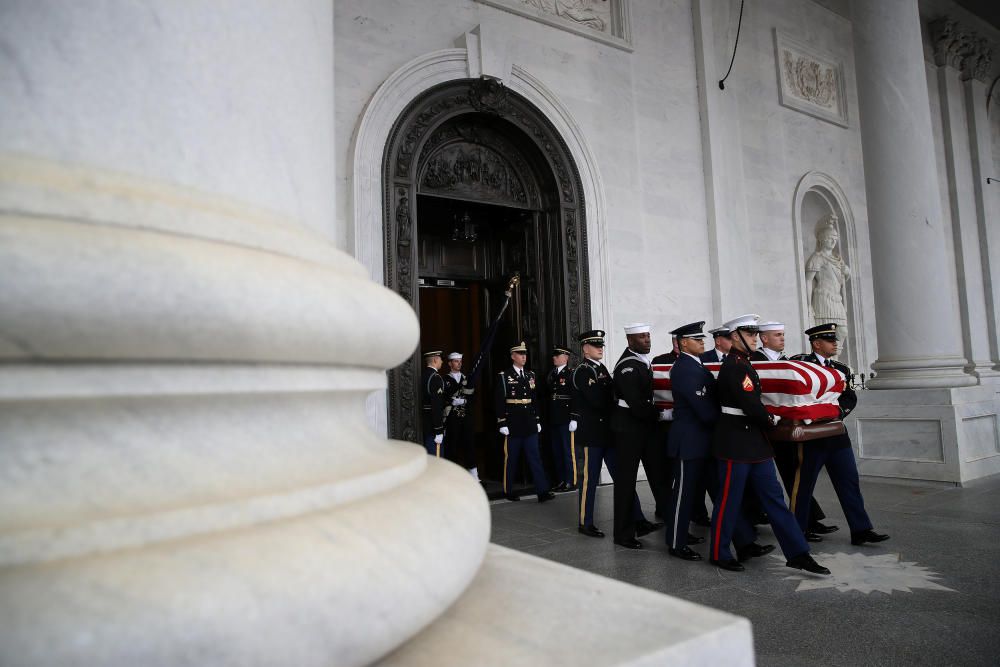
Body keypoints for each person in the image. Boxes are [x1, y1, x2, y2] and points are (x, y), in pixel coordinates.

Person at [708, 314, 829, 575]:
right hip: (736, 444)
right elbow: (751, 405)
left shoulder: (744, 363)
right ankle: (719, 552)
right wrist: (773, 418)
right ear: (735, 337)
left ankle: (798, 553)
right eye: (750, 335)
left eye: (755, 334)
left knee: (774, 500)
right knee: (729, 502)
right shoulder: (736, 366)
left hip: (755, 443)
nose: (754, 339)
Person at [789, 324, 890, 546]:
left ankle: (861, 529)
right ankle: (798, 530)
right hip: (811, 435)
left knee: (849, 481)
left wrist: (835, 412)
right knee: (804, 485)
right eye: (829, 340)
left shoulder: (841, 369)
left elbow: (849, 398)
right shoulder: (800, 365)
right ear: (816, 343)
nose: (835, 344)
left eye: (834, 340)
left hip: (835, 432)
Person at [752, 322, 834, 540]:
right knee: (782, 476)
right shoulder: (755, 361)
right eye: (777, 335)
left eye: (783, 334)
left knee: (794, 474)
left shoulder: (786, 362)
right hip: (766, 427)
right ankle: (800, 523)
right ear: (764, 339)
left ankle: (808, 520)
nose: (782, 338)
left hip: (786, 426)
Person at [570, 330, 654, 538]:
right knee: (589, 482)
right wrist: (618, 400)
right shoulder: (583, 371)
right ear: (584, 348)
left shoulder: (603, 369)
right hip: (592, 435)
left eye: (601, 345)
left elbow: (611, 394)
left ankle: (639, 519)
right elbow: (598, 400)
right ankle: (585, 522)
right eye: (595, 345)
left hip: (609, 433)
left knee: (623, 479)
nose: (600, 348)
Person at [664, 321, 719, 561]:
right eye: (697, 340)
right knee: (683, 494)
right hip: (689, 440)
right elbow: (703, 407)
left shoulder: (696, 365)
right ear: (683, 343)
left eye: (702, 339)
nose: (702, 343)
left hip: (702, 439)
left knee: (716, 490)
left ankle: (744, 539)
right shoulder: (685, 368)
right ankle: (676, 542)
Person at [610, 323, 668, 549]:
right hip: (629, 431)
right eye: (641, 337)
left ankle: (676, 528)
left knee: (660, 478)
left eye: (648, 336)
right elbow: (637, 405)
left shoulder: (643, 362)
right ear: (630, 340)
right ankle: (623, 535)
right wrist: (663, 414)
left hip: (646, 429)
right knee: (626, 482)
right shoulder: (628, 366)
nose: (647, 339)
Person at [495, 342, 556, 503]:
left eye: (525, 354)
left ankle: (542, 491)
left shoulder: (530, 375)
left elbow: (533, 399)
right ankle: (508, 490)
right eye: (520, 354)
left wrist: (537, 419)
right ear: (513, 356)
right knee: (512, 458)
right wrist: (502, 423)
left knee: (535, 457)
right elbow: (499, 401)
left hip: (529, 422)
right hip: (513, 423)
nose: (524, 357)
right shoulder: (504, 376)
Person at [442, 352, 479, 481]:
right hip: (452, 418)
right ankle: (451, 475)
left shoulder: (467, 379)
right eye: (456, 361)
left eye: (460, 361)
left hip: (466, 417)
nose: (459, 363)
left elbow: (474, 396)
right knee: (452, 445)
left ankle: (474, 474)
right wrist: (452, 401)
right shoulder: (445, 379)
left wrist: (465, 401)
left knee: (469, 444)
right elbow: (441, 397)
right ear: (450, 363)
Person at [547, 345, 576, 492]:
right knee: (557, 451)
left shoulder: (571, 373)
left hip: (566, 418)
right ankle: (560, 480)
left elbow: (575, 398)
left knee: (567, 451)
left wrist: (574, 418)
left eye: (557, 355)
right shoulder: (552, 373)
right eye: (554, 355)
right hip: (554, 417)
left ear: (565, 357)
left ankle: (570, 480)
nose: (554, 357)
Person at [421, 350, 446, 457]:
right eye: (440, 359)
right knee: (437, 459)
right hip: (433, 426)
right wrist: (439, 430)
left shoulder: (424, 375)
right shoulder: (435, 378)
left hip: (425, 423)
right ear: (435, 360)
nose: (442, 362)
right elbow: (436, 405)